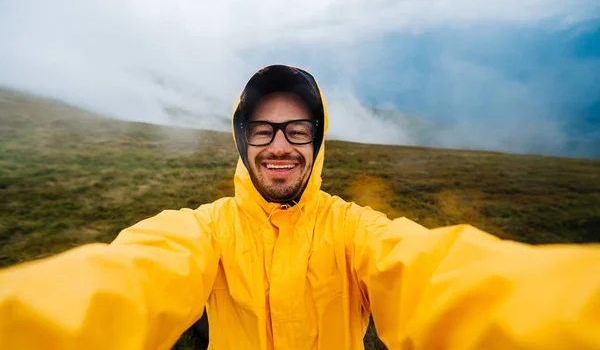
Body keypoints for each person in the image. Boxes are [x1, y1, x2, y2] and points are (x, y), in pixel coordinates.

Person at [0, 64, 599, 350]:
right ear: (241, 142)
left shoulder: (357, 230)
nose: (280, 145)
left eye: (296, 129)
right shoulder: (203, 230)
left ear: (317, 140)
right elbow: (126, 280)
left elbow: (444, 277)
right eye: (261, 131)